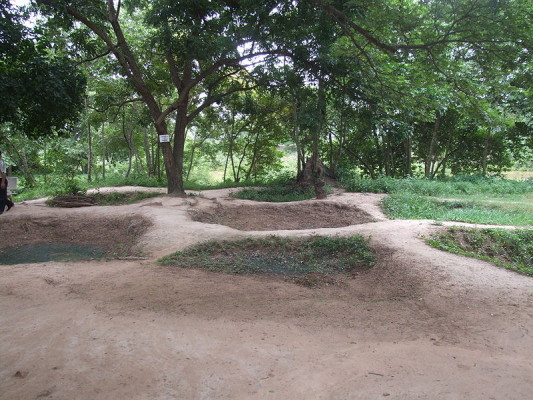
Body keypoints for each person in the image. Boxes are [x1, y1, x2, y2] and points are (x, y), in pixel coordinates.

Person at [0, 150, 14, 214]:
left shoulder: (1, 162)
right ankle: (10, 203)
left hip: (1, 179)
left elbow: (3, 173)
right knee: (2, 196)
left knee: (2, 196)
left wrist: (2, 182)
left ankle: (1, 210)